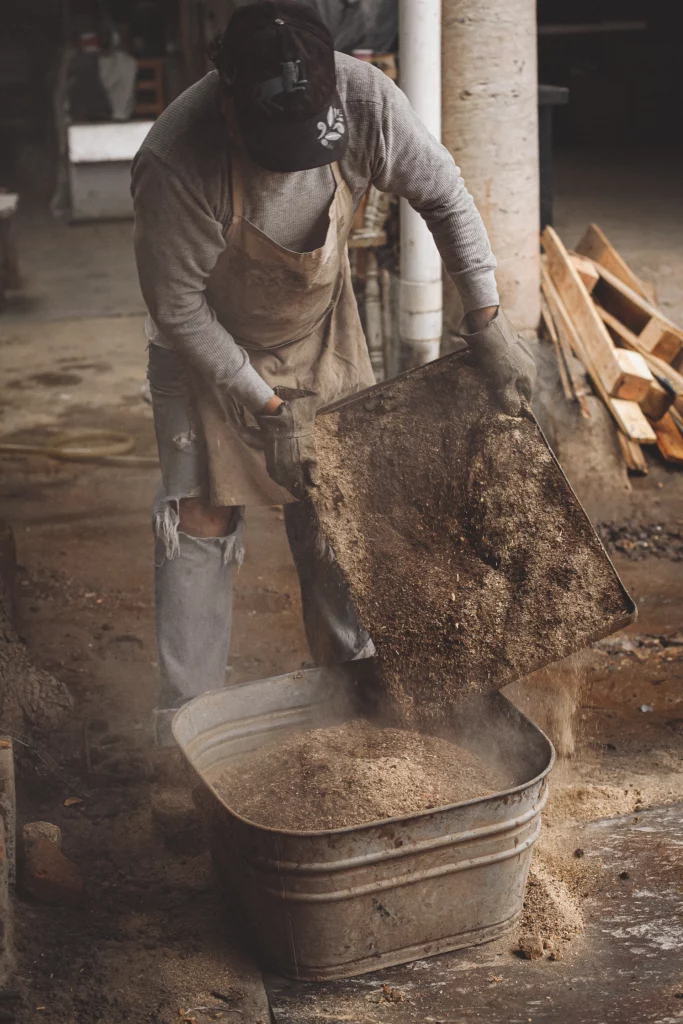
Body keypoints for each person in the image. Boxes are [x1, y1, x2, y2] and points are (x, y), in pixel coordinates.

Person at [131, 0, 535, 743]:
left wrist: (485, 322)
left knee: (336, 504)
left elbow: (442, 195)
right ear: (228, 104)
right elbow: (180, 310)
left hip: (318, 328)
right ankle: (182, 733)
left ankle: (357, 700)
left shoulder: (365, 101)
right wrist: (266, 403)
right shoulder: (174, 161)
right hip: (205, 350)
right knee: (201, 516)